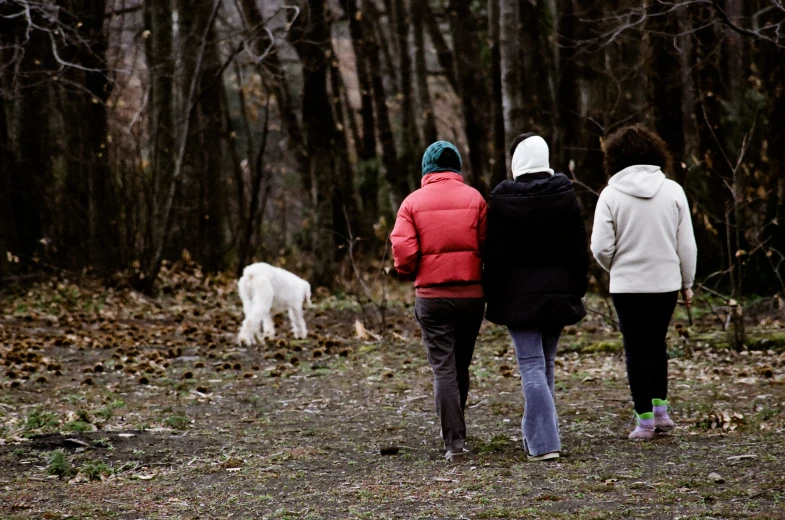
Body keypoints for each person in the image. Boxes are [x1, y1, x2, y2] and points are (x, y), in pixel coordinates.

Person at [483, 133, 588, 461]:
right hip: (559, 295)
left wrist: (491, 292)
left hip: (517, 298)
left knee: (531, 365)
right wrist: (577, 288)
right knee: (544, 367)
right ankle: (541, 435)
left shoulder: (501, 203)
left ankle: (544, 444)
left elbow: (494, 256)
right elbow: (578, 251)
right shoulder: (567, 198)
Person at [590, 125, 697, 441]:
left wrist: (617, 267)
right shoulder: (673, 191)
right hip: (665, 284)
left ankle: (645, 421)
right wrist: (687, 282)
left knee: (635, 349)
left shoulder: (610, 195)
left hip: (627, 287)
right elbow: (686, 244)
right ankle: (662, 412)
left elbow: (600, 247)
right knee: (656, 345)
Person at [390, 141, 487, 463]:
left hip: (432, 298)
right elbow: (489, 245)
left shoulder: (412, 203)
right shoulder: (475, 198)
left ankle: (454, 443)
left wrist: (409, 272)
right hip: (472, 296)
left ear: (426, 169)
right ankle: (457, 431)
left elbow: (403, 252)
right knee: (460, 365)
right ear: (456, 166)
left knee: (443, 368)